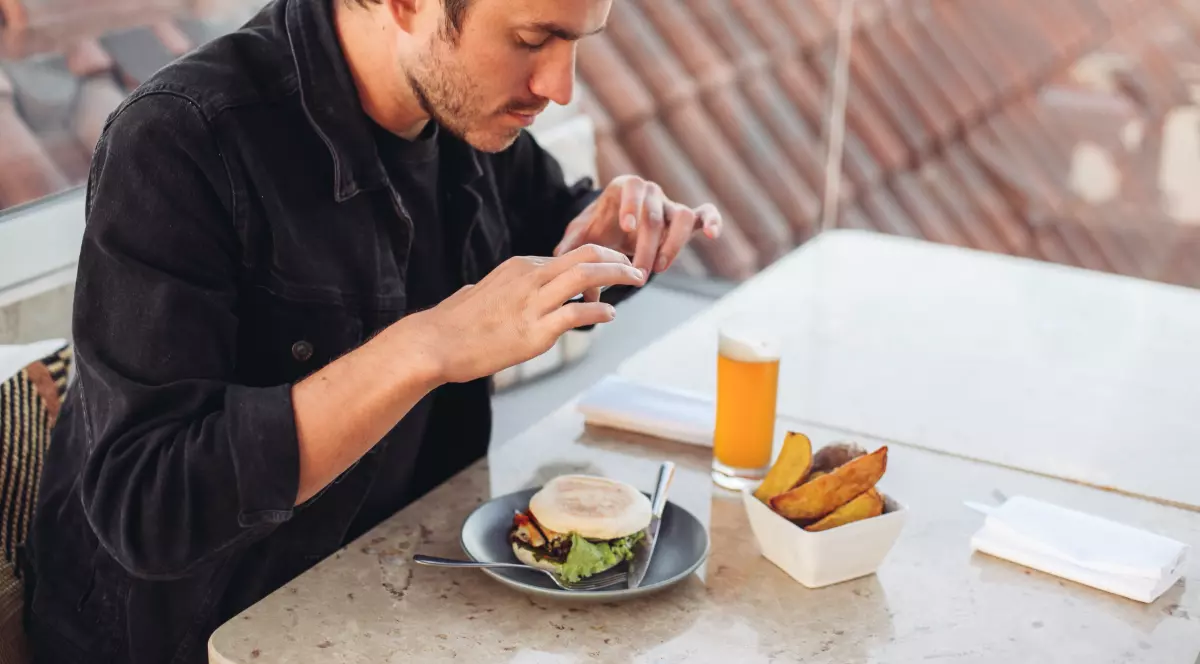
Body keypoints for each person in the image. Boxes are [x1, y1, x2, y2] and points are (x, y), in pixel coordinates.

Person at [19, 0, 723, 661]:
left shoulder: (467, 108)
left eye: (576, 41)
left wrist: (616, 238)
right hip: (199, 636)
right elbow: (149, 505)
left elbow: (548, 235)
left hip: (392, 589)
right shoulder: (182, 140)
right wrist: (424, 348)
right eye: (533, 39)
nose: (558, 86)